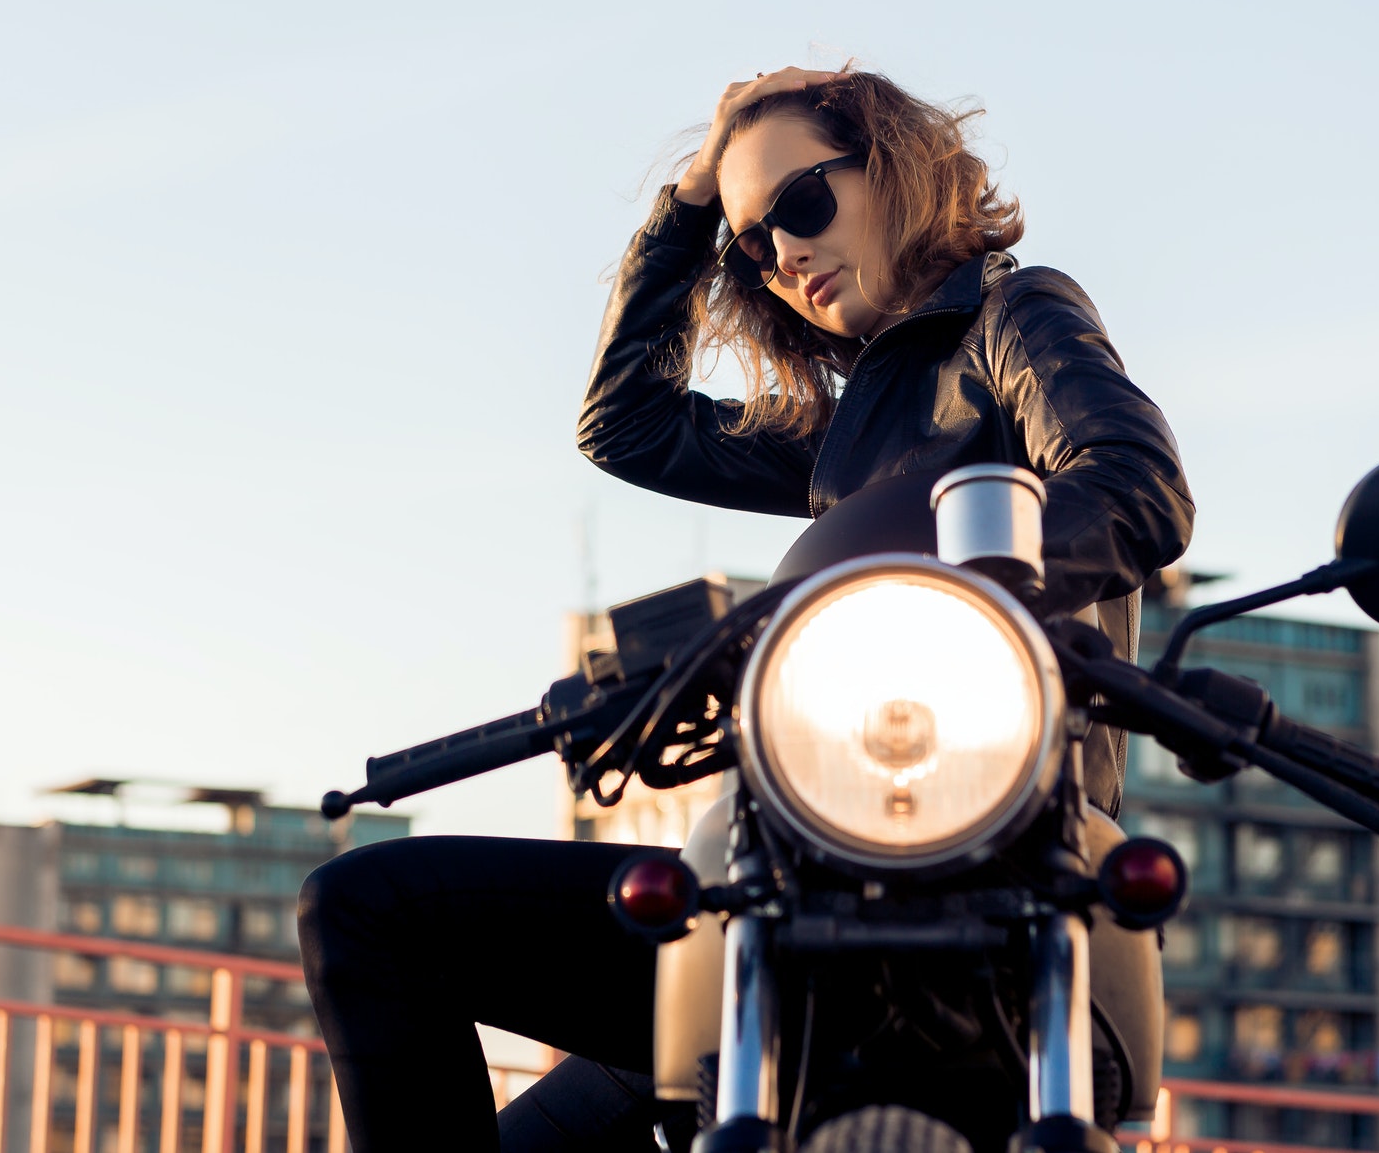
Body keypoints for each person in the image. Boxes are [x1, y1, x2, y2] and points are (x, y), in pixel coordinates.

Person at [297, 67, 1194, 1153]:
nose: (782, 254)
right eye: (751, 243)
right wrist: (684, 210)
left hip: (996, 858)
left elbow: (1134, 483)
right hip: (780, 880)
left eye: (800, 205)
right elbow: (625, 426)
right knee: (366, 907)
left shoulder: (1014, 315)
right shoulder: (847, 436)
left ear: (891, 170)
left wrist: (950, 601)